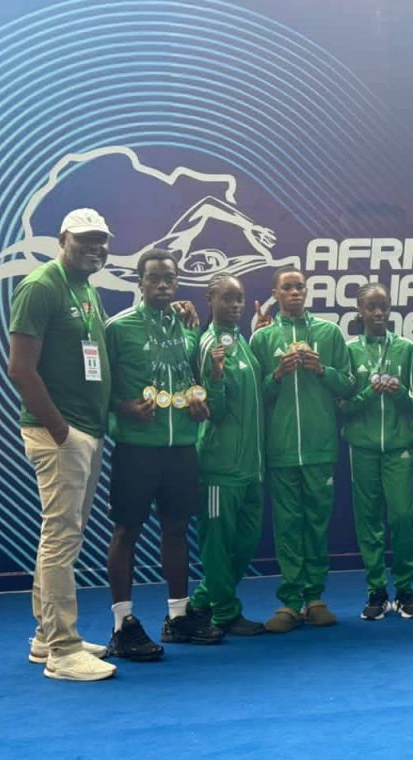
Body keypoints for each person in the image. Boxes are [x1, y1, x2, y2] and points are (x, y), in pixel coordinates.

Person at [8, 208, 117, 681]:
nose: (95, 247)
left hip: (85, 431)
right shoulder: (41, 286)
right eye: (85, 239)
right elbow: (20, 369)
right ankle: (63, 651)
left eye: (101, 240)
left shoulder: (86, 288)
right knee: (60, 538)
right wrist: (61, 431)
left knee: (63, 536)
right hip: (62, 433)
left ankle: (44, 637)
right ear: (62, 239)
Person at [103, 248, 224, 661]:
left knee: (176, 529)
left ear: (177, 282)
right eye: (153, 278)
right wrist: (123, 408)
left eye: (169, 279)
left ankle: (178, 617)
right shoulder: (118, 327)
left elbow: (197, 383)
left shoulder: (188, 328)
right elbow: (99, 388)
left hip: (182, 448)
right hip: (137, 448)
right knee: (127, 531)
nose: (161, 285)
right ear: (140, 282)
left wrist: (201, 406)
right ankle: (123, 625)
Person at [249, 267, 354, 631]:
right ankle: (291, 601)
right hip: (280, 448)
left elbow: (349, 385)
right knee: (288, 526)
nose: (294, 293)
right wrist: (277, 375)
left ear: (307, 292)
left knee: (317, 524)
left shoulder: (328, 333)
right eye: (287, 288)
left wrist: (322, 370)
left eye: (300, 287)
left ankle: (315, 597)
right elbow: (254, 395)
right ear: (275, 294)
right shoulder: (262, 339)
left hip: (319, 447)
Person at [188, 273, 267, 635]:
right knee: (218, 547)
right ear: (211, 300)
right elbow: (213, 412)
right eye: (227, 298)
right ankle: (224, 612)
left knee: (245, 543)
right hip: (220, 467)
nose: (235, 305)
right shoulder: (208, 345)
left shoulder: (240, 340)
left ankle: (201, 602)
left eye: (239, 299)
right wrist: (216, 377)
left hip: (250, 467)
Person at [341, 283, 413, 620]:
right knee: (368, 520)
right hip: (362, 448)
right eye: (371, 307)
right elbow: (343, 406)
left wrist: (399, 392)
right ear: (359, 311)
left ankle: (405, 590)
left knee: (402, 517)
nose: (378, 313)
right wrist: (368, 394)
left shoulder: (406, 348)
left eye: (384, 306)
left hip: (398, 447)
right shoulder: (349, 350)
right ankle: (376, 590)